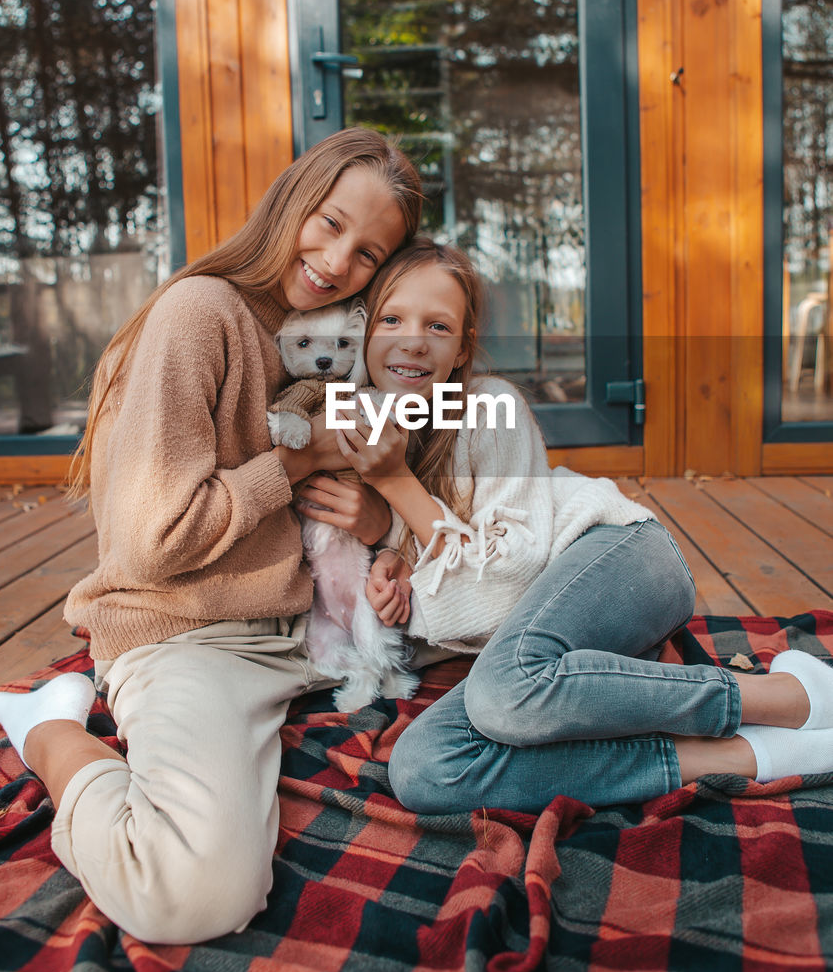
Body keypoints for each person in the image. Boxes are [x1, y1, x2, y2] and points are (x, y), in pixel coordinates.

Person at [0, 127, 423, 945]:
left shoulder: (323, 342)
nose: (335, 260)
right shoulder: (200, 314)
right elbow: (154, 541)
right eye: (328, 223)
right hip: (191, 632)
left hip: (301, 625)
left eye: (367, 253)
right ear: (290, 202)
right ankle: (44, 725)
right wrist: (296, 464)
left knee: (500, 632)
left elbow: (358, 495)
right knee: (194, 894)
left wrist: (384, 532)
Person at [322, 240, 833, 815]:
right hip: (548, 635)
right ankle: (745, 754)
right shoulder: (377, 429)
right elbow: (452, 555)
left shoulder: (491, 405)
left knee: (503, 690)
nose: (412, 339)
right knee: (424, 771)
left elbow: (505, 580)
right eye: (391, 319)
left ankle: (786, 696)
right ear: (362, 331)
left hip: (622, 555)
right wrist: (398, 559)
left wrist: (393, 486)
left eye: (437, 325)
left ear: (463, 347)